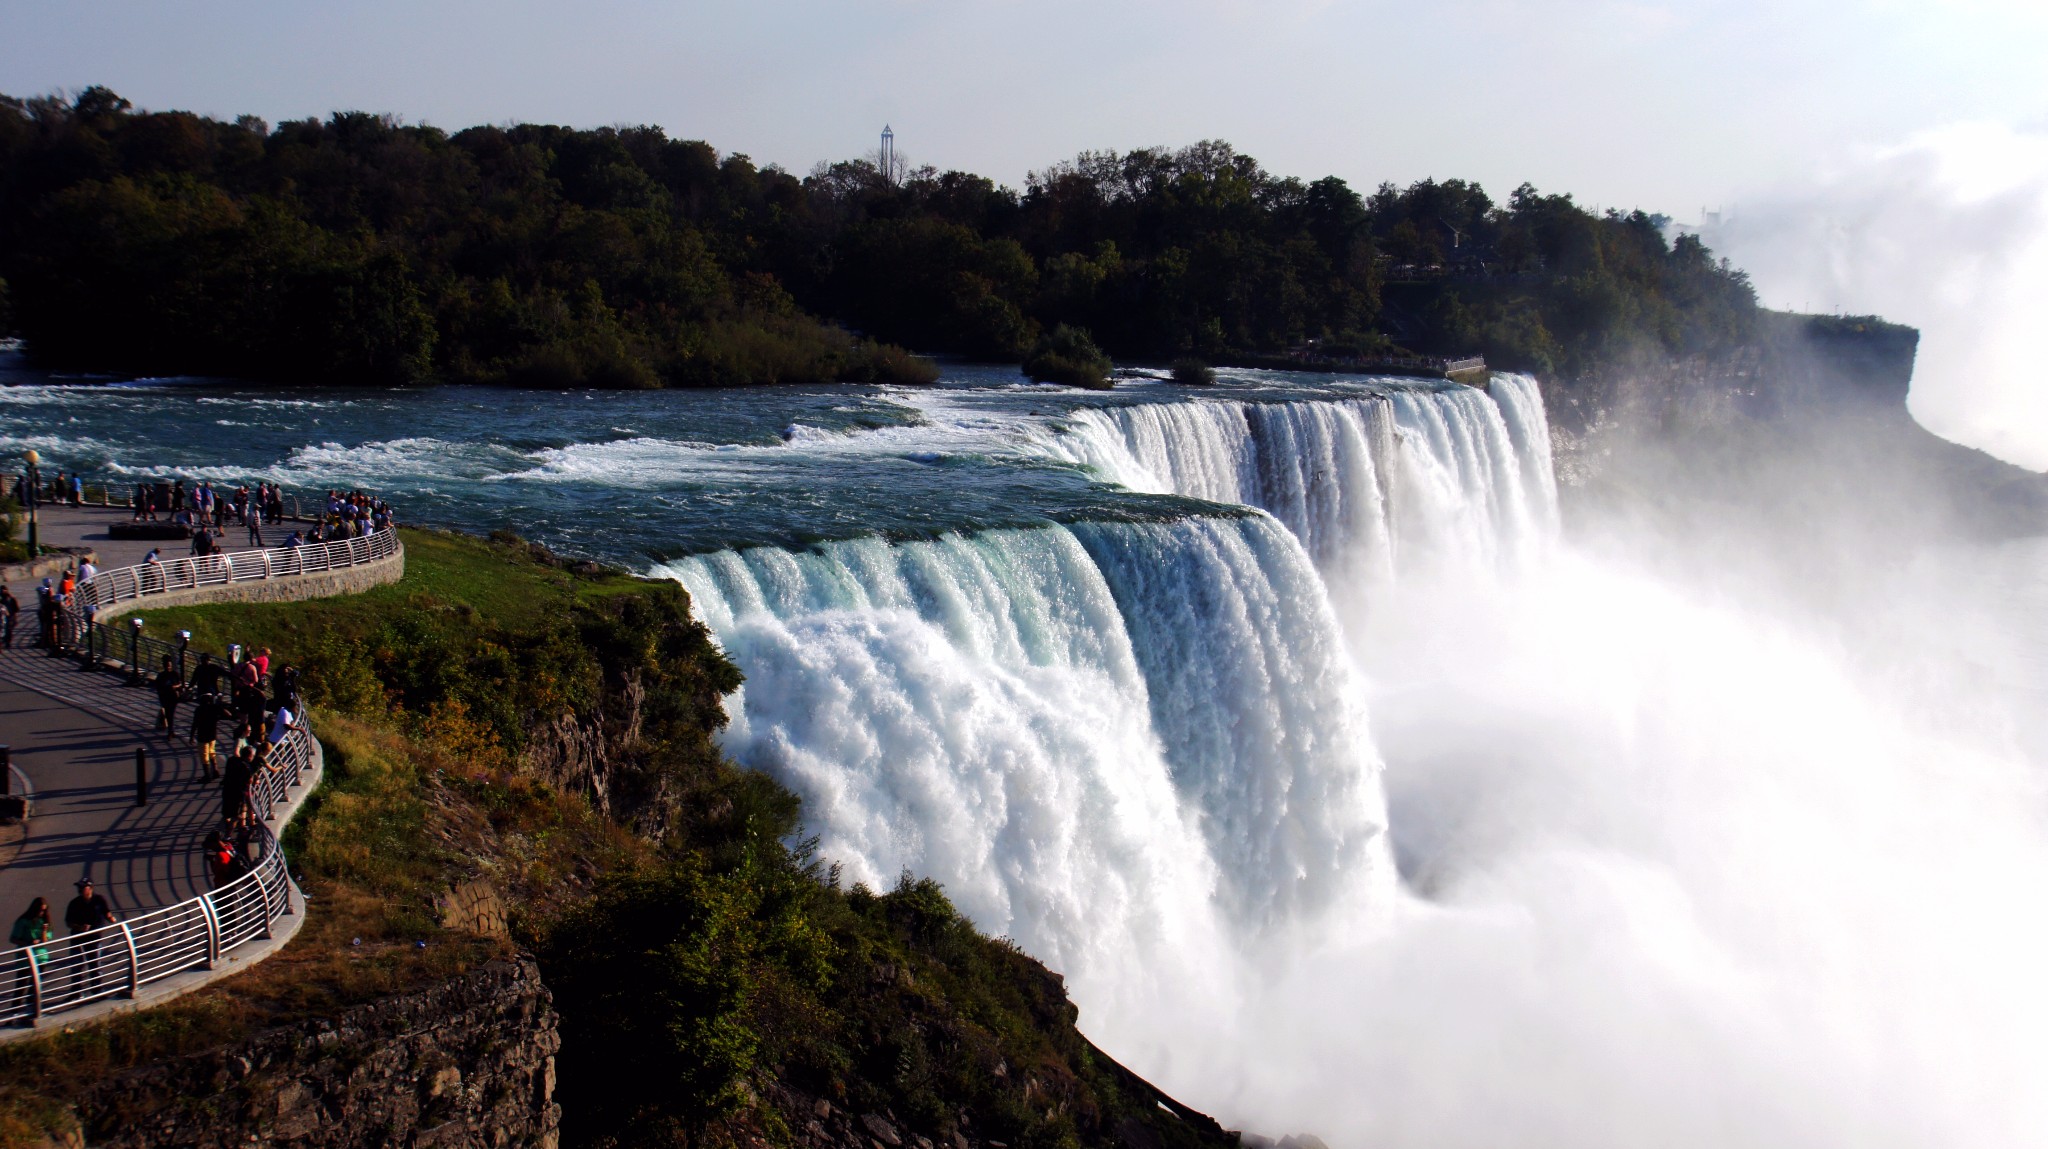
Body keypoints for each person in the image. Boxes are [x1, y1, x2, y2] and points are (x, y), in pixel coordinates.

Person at [63, 880, 114, 993]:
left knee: (95, 964)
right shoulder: (74, 903)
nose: (80, 890)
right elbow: (68, 922)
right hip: (78, 938)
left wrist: (111, 919)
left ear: (90, 888)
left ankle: (97, 989)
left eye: (82, 888)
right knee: (77, 965)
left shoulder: (99, 899)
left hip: (94, 937)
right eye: (79, 888)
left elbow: (107, 912)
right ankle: (76, 992)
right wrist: (79, 927)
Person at [9, 897, 51, 1009]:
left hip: (41, 957)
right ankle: (15, 1012)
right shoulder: (23, 921)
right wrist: (27, 943)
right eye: (40, 910)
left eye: (44, 910)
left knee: (35, 987)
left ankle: (31, 1010)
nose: (41, 913)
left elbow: (46, 940)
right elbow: (13, 938)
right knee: (21, 987)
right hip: (25, 958)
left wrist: (44, 930)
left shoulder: (44, 921)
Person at [152, 656, 185, 737]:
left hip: (173, 697)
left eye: (169, 666)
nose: (168, 667)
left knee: (170, 713)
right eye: (167, 666)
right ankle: (171, 730)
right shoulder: (161, 675)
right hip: (165, 697)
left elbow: (180, 684)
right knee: (169, 714)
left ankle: (170, 730)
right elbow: (158, 686)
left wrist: (175, 687)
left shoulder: (175, 674)